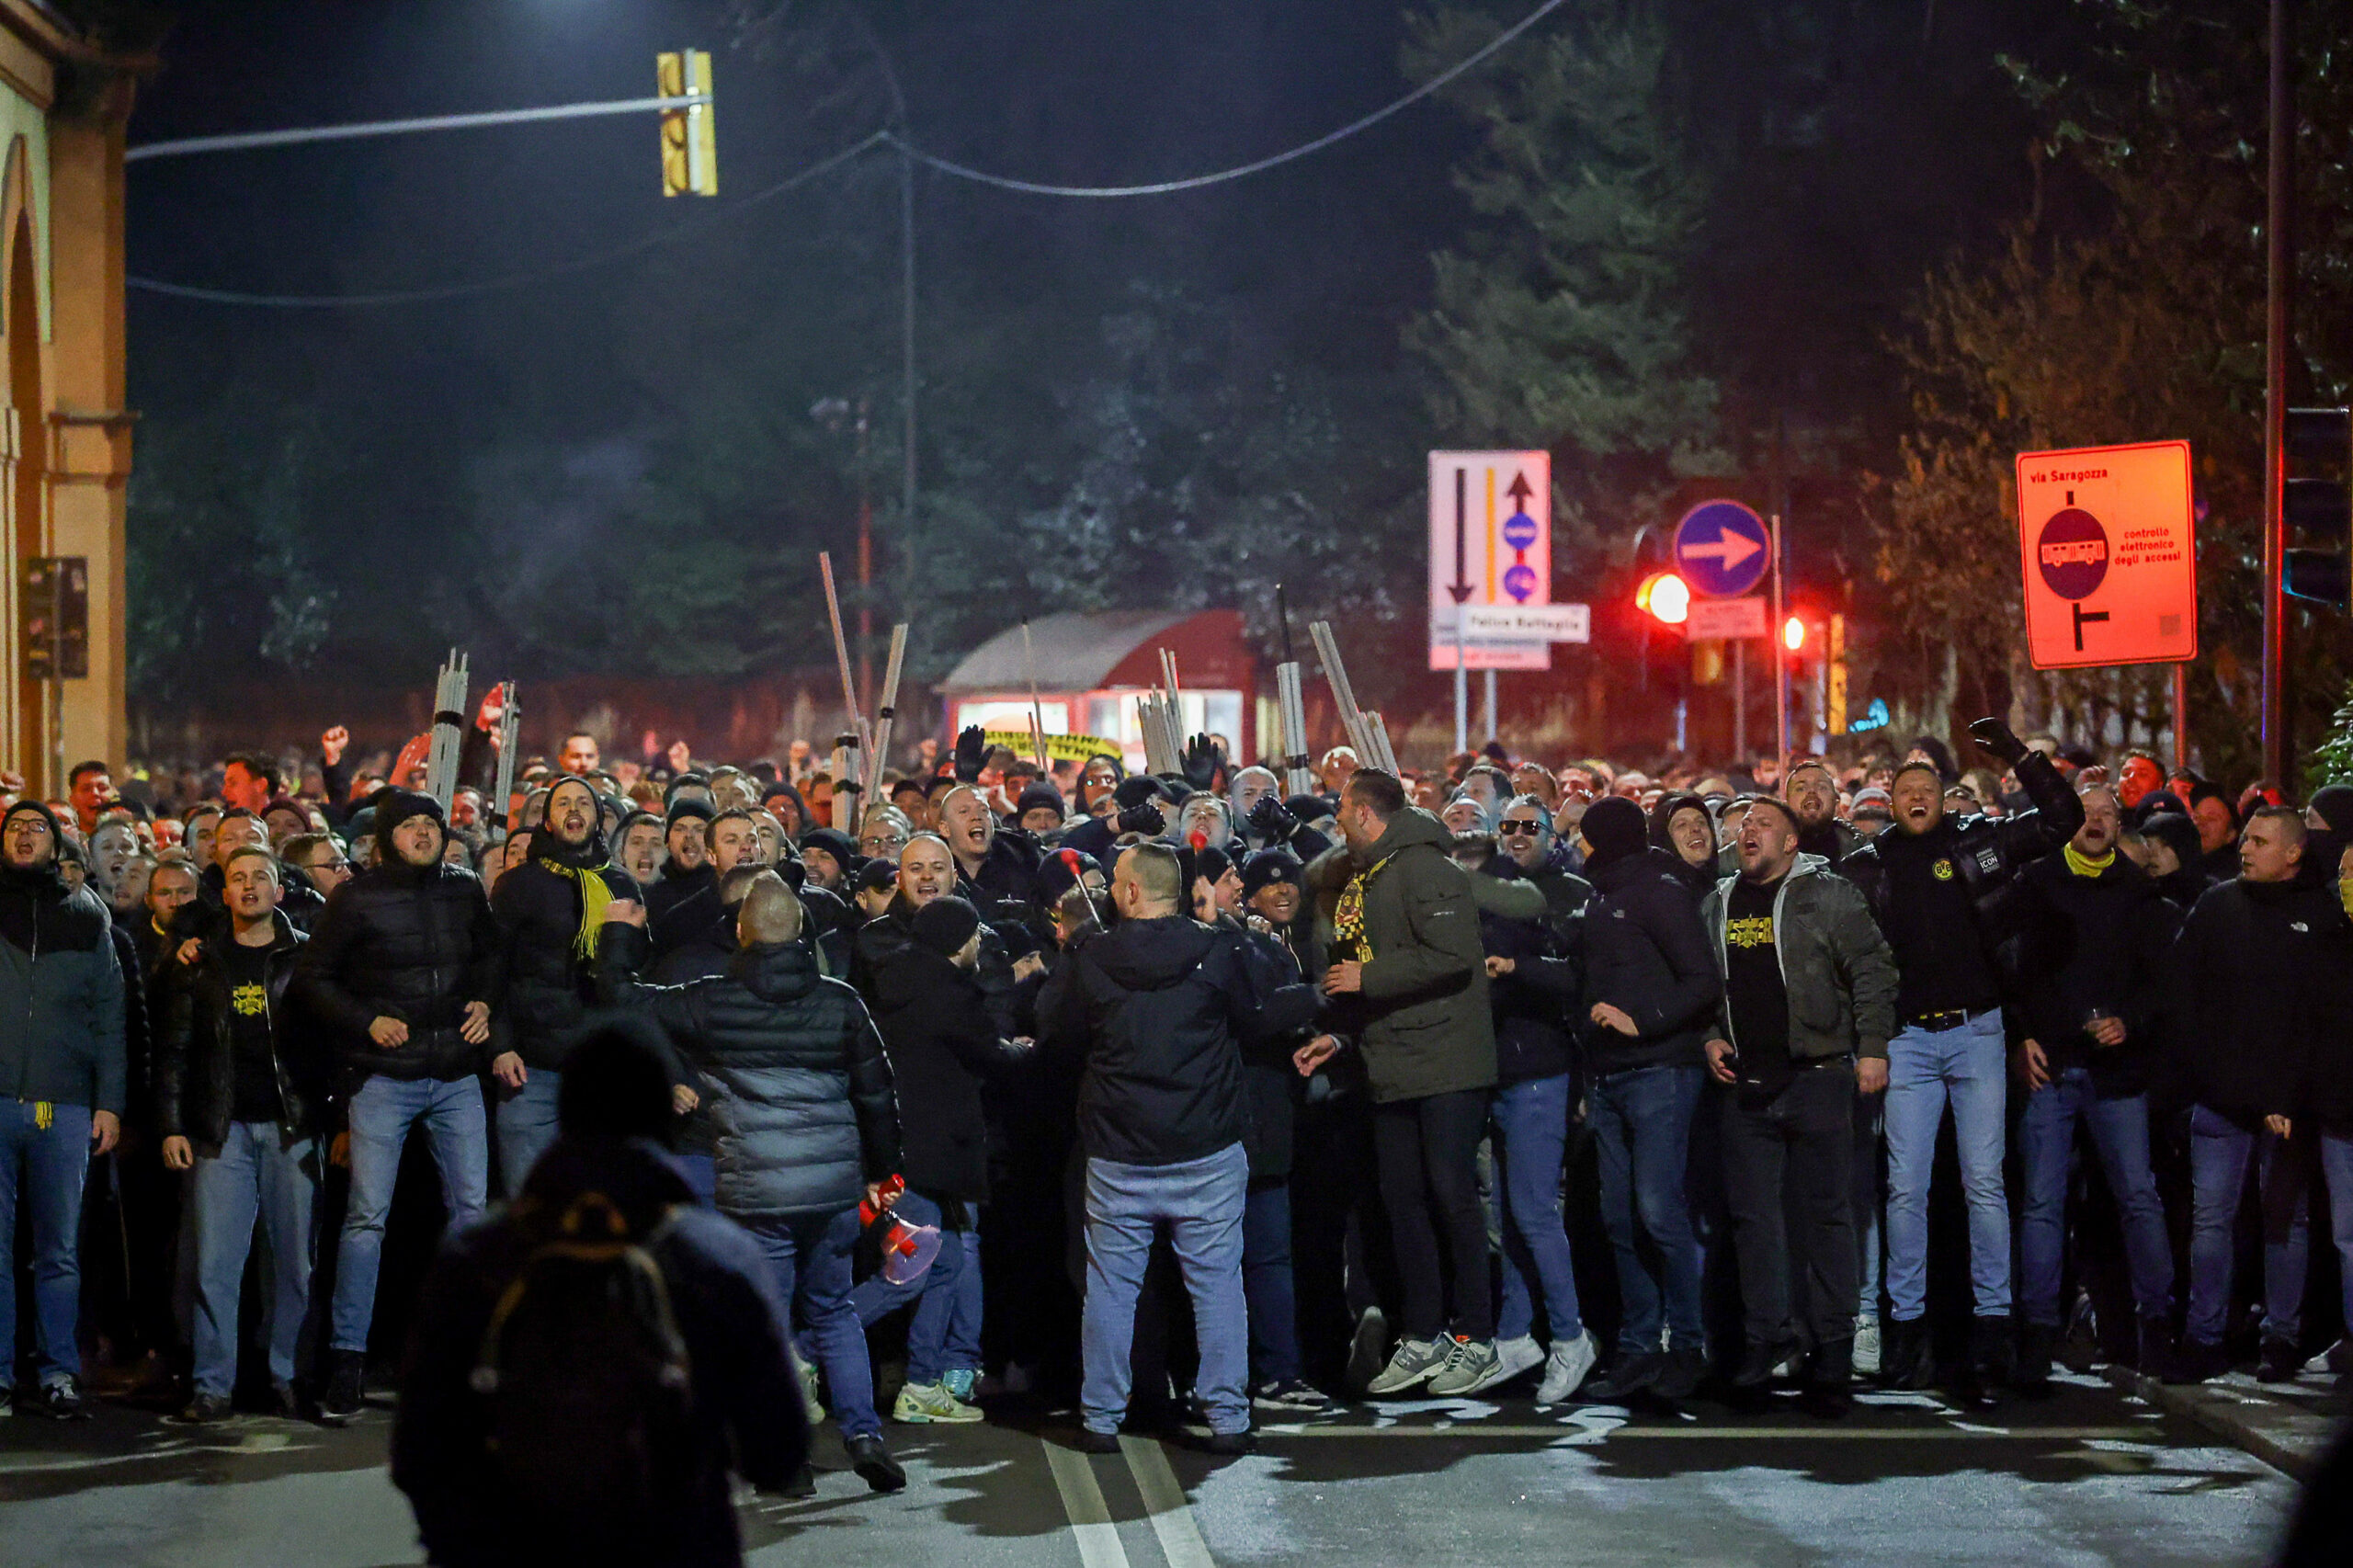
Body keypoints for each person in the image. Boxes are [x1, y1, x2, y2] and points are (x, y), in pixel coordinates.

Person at [392, 1026, 809, 1567]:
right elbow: (777, 1453)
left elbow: (418, 1452)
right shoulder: (717, 1257)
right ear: (662, 1115)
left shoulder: (476, 1255)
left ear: (566, 1113)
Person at [602, 872, 909, 1494]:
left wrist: (617, 934)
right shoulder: (842, 1001)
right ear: (802, 931)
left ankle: (788, 1458)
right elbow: (878, 1097)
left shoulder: (714, 999)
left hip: (755, 1188)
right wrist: (883, 1172)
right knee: (834, 1309)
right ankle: (863, 1435)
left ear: (742, 931)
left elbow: (623, 998)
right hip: (830, 1190)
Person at [1039, 842, 1321, 1453]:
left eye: (1116, 882)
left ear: (1133, 891)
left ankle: (1101, 1419)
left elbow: (1055, 1033)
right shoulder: (1216, 950)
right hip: (1205, 1144)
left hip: (1119, 1149)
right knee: (1217, 1285)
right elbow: (1257, 1016)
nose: (1111, 891)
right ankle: (1227, 1419)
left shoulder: (1092, 955)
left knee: (1112, 1288)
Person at [1839, 718, 2082, 1396]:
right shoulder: (1867, 865)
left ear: (1946, 799)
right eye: (1905, 788)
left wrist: (2014, 754)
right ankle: (1905, 1331)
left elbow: (2061, 819)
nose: (1917, 795)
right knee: (1905, 1190)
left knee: (1984, 1184)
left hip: (1978, 1033)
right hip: (1908, 1041)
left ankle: (1992, 1329)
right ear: (1889, 802)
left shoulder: (1980, 847)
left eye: (1928, 787)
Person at [293, 789, 506, 1425]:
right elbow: (313, 978)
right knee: (366, 1219)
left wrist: (485, 1003)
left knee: (472, 1212)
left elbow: (492, 955)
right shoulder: (355, 898)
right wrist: (366, 1022)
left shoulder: (465, 888)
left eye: (430, 825)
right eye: (409, 825)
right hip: (384, 1076)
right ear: (386, 837)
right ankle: (348, 1359)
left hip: (455, 1074)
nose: (422, 833)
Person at [1302, 768, 1504, 1398]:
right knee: (1403, 1201)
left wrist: (1369, 978)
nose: (1336, 819)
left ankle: (1477, 1337)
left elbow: (1453, 956)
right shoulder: (1371, 873)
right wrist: (1345, 1035)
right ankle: (1423, 1334)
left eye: (1341, 809)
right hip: (1393, 1064)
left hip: (1445, 1064)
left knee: (1451, 1197)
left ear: (1365, 813)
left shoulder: (1425, 868)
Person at [1699, 798, 1895, 1417]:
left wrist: (1873, 1048)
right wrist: (1709, 1035)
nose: (1747, 831)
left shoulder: (1828, 894)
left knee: (1828, 1219)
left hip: (1817, 1077)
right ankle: (1767, 1344)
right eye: (1743, 824)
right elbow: (1707, 984)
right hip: (1747, 1085)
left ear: (1790, 843)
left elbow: (1872, 967)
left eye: (1763, 825)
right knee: (1756, 1222)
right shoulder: (1719, 900)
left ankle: (1832, 1353)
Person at [2166, 806, 2352, 1382]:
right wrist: (2215, 1083)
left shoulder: (2322, 916)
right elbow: (2183, 999)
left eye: (2260, 840)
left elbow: (2324, 1020)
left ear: (2294, 853)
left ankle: (2281, 1340)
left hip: (2290, 1109)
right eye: (2244, 839)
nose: (2245, 848)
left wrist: (2288, 1096)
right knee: (2211, 1221)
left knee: (2285, 1223)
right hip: (2222, 1102)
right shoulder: (2216, 907)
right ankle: (2203, 1337)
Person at [2008, 784, 2180, 1389]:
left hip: (2117, 1075)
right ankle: (2035, 1335)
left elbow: (2162, 983)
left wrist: (2128, 1022)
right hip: (2051, 1066)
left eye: (2109, 813)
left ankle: (2155, 1328)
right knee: (2042, 1205)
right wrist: (2022, 1035)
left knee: (2138, 1197)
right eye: (2087, 812)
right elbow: (2014, 970)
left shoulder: (2139, 893)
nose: (2098, 821)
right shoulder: (2036, 884)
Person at [155, 844, 324, 1421]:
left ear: (280, 891)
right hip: (219, 1131)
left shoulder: (306, 957)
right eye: (238, 878)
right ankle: (212, 1386)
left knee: (294, 1264)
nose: (249, 887)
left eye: (261, 877)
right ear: (223, 893)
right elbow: (174, 1050)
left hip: (290, 1127)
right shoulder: (199, 961)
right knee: (214, 1267)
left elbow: (332, 1046)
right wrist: (172, 1124)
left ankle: (285, 1378)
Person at [852, 895, 1029, 1423]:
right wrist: (1026, 1051)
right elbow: (990, 1055)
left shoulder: (893, 982)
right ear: (958, 941)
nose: (979, 944)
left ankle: (923, 1385)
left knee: (945, 1262)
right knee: (912, 1268)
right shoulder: (948, 993)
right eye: (975, 935)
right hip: (931, 1151)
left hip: (902, 1144)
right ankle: (807, 1349)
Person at [1569, 795, 1722, 1403]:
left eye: (1585, 837)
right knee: (1619, 1217)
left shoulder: (1658, 892)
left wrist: (1644, 1019)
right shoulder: (1601, 894)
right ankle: (1638, 1348)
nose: (1578, 847)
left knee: (1660, 1213)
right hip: (1609, 1078)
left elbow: (1701, 980)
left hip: (1659, 1072)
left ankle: (1687, 1345)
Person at [0, 799, 127, 1417]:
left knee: (58, 1249)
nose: (25, 837)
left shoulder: (85, 916)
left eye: (37, 829)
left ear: (55, 844)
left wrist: (109, 1105)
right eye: (15, 828)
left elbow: (110, 1021)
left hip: (59, 1107)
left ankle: (57, 1373)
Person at [1481, 794, 1597, 1402]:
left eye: (1531, 826)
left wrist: (1515, 967)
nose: (1518, 834)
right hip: (1500, 1073)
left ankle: (1572, 1340)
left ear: (1553, 834)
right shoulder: (1491, 890)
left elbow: (1578, 979)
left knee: (1533, 1214)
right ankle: (1513, 1337)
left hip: (1542, 1072)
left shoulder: (1570, 893)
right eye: (1509, 826)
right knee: (1511, 1218)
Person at [490, 778, 644, 1192]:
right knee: (530, 1206)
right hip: (531, 1068)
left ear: (598, 818)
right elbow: (492, 970)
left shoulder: (622, 884)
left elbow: (636, 974)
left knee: (597, 1205)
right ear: (547, 820)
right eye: (562, 804)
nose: (574, 810)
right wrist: (501, 1045)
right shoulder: (518, 885)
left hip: (599, 1070)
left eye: (583, 803)